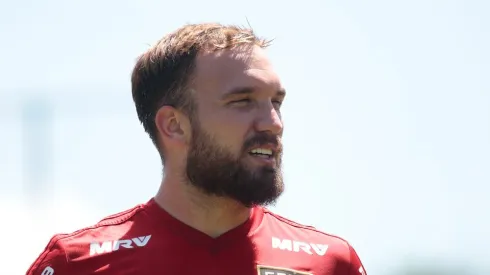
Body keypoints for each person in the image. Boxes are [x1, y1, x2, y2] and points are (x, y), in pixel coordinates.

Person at [26, 23, 368, 275]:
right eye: (243, 101)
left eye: (276, 102)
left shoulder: (331, 261)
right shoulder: (76, 263)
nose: (272, 122)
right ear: (173, 125)